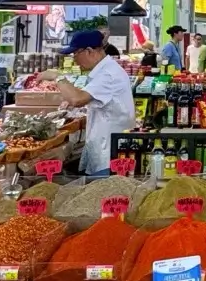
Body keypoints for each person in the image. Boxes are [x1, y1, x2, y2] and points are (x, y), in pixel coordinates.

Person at [36, 29, 135, 175]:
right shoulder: (104, 70)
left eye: (75, 53)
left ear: (89, 51)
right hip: (105, 148)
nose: (74, 58)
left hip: (108, 153)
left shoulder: (108, 74)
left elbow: (77, 99)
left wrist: (57, 77)